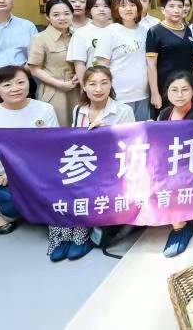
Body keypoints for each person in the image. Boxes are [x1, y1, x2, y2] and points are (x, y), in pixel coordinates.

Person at [49, 66, 135, 262]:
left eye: (104, 83)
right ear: (85, 87)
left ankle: (80, 236)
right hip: (84, 164)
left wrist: (108, 132)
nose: (98, 89)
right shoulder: (79, 110)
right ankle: (63, 237)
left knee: (84, 188)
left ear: (111, 85)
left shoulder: (123, 111)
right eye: (92, 84)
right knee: (59, 185)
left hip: (111, 169)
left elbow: (130, 146)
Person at [0, 66, 58, 235]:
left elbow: (51, 150)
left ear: (29, 83)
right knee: (17, 197)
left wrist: (16, 173)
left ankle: (13, 203)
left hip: (36, 172)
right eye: (7, 85)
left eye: (20, 82)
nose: (15, 88)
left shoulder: (45, 109)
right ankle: (5, 213)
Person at [157, 71, 193, 257]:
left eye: (185, 90)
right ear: (167, 92)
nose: (179, 95)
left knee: (173, 182)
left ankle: (180, 226)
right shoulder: (165, 113)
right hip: (172, 164)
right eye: (174, 90)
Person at [93, 0, 151, 121]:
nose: (128, 9)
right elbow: (102, 67)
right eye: (123, 5)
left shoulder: (146, 31)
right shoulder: (109, 32)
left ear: (138, 7)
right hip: (118, 96)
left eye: (132, 5)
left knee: (142, 132)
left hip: (143, 94)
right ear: (116, 9)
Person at [27, 0, 79, 126]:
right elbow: (34, 69)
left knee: (78, 126)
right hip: (54, 90)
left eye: (67, 13)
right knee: (57, 127)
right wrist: (60, 84)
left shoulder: (78, 35)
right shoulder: (40, 38)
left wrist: (80, 74)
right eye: (56, 15)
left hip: (77, 89)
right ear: (48, 17)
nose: (62, 18)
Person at [146, 0, 193, 111]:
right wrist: (155, 93)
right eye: (172, 6)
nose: (176, 10)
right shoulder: (154, 32)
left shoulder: (188, 30)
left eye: (180, 6)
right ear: (163, 10)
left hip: (187, 86)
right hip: (166, 88)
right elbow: (151, 65)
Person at [67, 0, 113, 86]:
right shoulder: (81, 33)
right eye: (96, 6)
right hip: (95, 86)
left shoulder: (118, 29)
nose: (101, 9)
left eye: (106, 6)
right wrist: (85, 87)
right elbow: (79, 64)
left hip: (121, 85)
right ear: (89, 10)